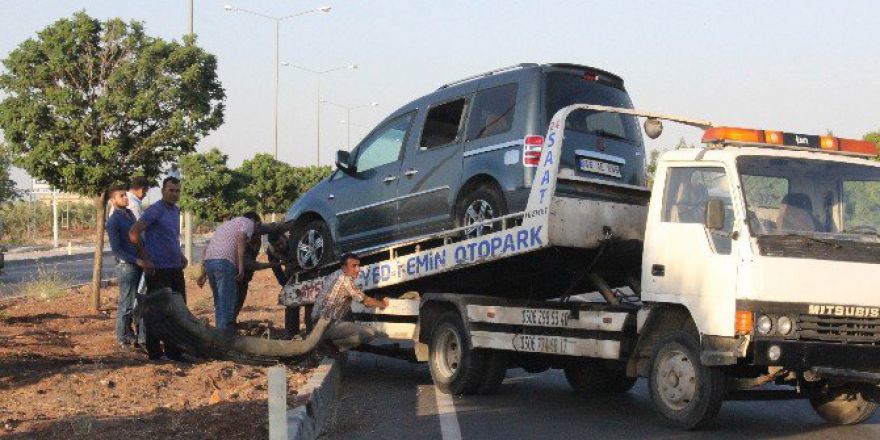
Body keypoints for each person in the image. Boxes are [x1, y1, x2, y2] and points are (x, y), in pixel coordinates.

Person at [129, 176, 188, 361]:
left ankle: (174, 352)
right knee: (156, 313)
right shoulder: (156, 210)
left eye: (177, 191)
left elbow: (171, 237)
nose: (174, 194)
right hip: (158, 270)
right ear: (163, 191)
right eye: (171, 190)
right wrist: (145, 258)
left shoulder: (176, 211)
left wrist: (180, 255)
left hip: (175, 268)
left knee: (178, 311)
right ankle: (155, 353)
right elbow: (134, 233)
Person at [311, 253, 388, 351]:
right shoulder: (346, 280)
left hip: (318, 323)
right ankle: (331, 346)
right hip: (326, 326)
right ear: (344, 267)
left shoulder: (334, 274)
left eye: (358, 265)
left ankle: (328, 343)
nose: (357, 269)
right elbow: (367, 302)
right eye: (353, 266)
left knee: (348, 312)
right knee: (369, 334)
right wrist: (383, 304)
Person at [200, 212, 261, 330]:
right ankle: (226, 339)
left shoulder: (225, 225)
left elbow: (206, 249)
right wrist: (241, 267)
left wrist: (203, 272)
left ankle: (219, 336)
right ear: (254, 220)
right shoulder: (248, 222)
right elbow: (242, 239)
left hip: (210, 262)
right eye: (258, 225)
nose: (256, 229)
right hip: (225, 263)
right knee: (227, 303)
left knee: (219, 303)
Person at [106, 185, 144, 350]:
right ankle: (122, 337)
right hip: (126, 266)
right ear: (113, 200)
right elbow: (117, 250)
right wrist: (136, 260)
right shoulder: (114, 221)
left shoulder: (129, 215)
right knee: (126, 303)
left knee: (137, 302)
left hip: (137, 263)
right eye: (121, 196)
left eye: (125, 195)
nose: (126, 198)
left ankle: (131, 334)